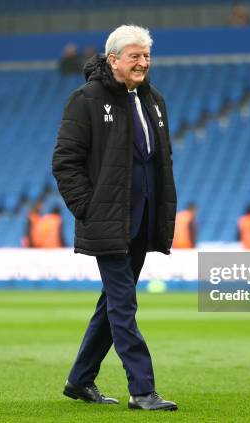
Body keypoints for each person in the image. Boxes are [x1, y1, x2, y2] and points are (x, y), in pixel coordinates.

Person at [52, 25, 177, 410]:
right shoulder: (86, 99)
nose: (143, 63)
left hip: (143, 219)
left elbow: (161, 160)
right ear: (113, 60)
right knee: (124, 304)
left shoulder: (154, 99)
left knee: (112, 304)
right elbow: (65, 162)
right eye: (135, 56)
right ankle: (142, 390)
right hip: (108, 222)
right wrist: (89, 209)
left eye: (147, 56)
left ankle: (79, 380)